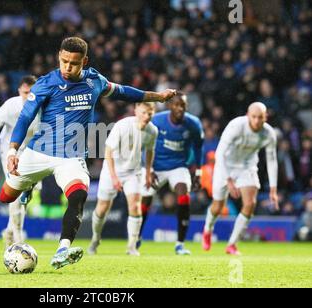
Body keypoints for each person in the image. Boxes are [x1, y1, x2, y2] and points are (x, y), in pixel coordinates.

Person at [0, 37, 177, 269]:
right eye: (63, 61)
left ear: (85, 61)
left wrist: (158, 96)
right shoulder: (46, 83)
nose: (67, 67)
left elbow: (123, 92)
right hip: (38, 153)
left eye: (73, 63)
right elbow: (25, 117)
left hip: (72, 158)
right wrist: (13, 150)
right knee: (6, 197)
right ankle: (28, 187)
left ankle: (61, 250)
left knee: (78, 196)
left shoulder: (95, 81)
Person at [202, 102, 278, 256]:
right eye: (254, 117)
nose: (256, 121)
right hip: (225, 165)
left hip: (246, 167)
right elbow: (219, 153)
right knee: (217, 207)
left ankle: (232, 244)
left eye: (260, 118)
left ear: (266, 117)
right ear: (247, 115)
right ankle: (207, 230)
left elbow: (272, 159)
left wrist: (273, 188)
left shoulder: (269, 134)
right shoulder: (236, 126)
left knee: (250, 204)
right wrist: (229, 180)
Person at [88, 102, 158, 256]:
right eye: (144, 112)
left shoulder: (152, 130)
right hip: (111, 170)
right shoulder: (122, 126)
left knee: (135, 207)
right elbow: (108, 152)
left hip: (133, 172)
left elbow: (149, 151)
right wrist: (114, 177)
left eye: (150, 114)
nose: (147, 117)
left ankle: (131, 246)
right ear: (136, 110)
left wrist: (148, 173)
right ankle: (95, 238)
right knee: (102, 209)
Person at [139, 94, 204, 255]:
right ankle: (136, 237)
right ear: (169, 106)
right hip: (155, 166)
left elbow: (198, 147)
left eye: (183, 105)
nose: (180, 109)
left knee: (184, 192)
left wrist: (198, 170)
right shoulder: (156, 121)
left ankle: (180, 244)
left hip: (178, 166)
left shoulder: (193, 124)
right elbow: (143, 144)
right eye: (176, 105)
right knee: (145, 198)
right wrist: (149, 170)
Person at [0, 75, 39, 246]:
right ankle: (18, 236)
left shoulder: (42, 106)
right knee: (16, 191)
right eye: (25, 92)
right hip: (9, 150)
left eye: (31, 93)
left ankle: (9, 229)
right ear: (19, 91)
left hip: (30, 152)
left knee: (27, 194)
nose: (28, 96)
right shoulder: (10, 107)